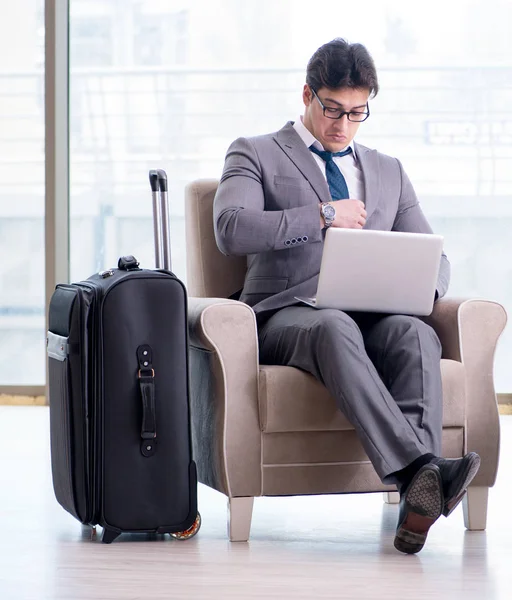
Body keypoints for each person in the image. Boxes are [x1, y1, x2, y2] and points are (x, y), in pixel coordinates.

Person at [213, 38, 480, 554]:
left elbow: (434, 255)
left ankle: (416, 504)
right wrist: (322, 215)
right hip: (290, 316)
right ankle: (422, 468)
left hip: (373, 312)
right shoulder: (256, 151)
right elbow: (231, 229)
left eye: (357, 114)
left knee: (415, 333)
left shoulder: (387, 170)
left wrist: (422, 285)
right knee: (332, 325)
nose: (342, 126)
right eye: (332, 110)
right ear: (308, 94)